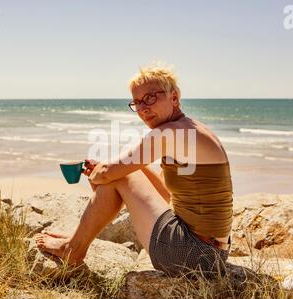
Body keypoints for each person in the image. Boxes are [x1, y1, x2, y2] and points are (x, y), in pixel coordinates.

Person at [36, 63, 233, 277]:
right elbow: (165, 193)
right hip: (211, 254)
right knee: (125, 172)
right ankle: (77, 240)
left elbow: (109, 174)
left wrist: (102, 174)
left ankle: (72, 249)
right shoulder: (189, 128)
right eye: (137, 102)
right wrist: (109, 172)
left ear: (174, 97)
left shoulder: (170, 133)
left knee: (117, 177)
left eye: (150, 98)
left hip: (190, 255)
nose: (143, 108)